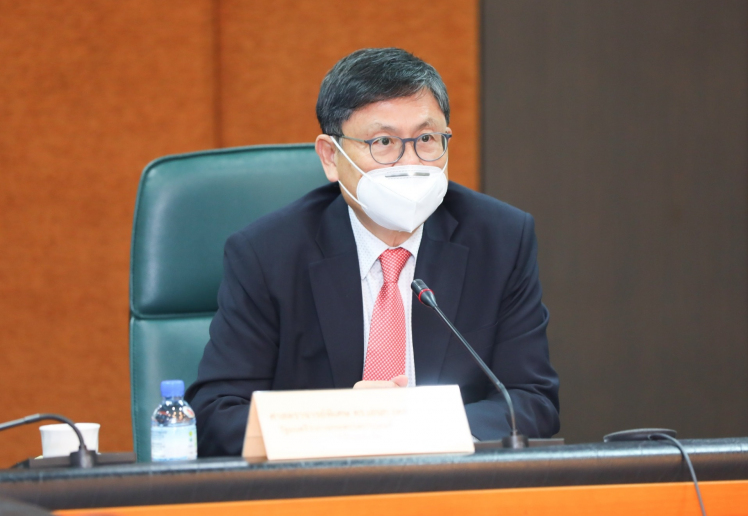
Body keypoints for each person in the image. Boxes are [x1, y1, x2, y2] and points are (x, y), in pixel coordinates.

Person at [186, 48, 560, 456]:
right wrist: (347, 424)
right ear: (331, 157)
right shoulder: (268, 254)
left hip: (451, 480)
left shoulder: (500, 239)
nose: (411, 162)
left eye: (426, 139)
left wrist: (418, 426)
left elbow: (531, 400)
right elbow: (214, 414)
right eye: (383, 142)